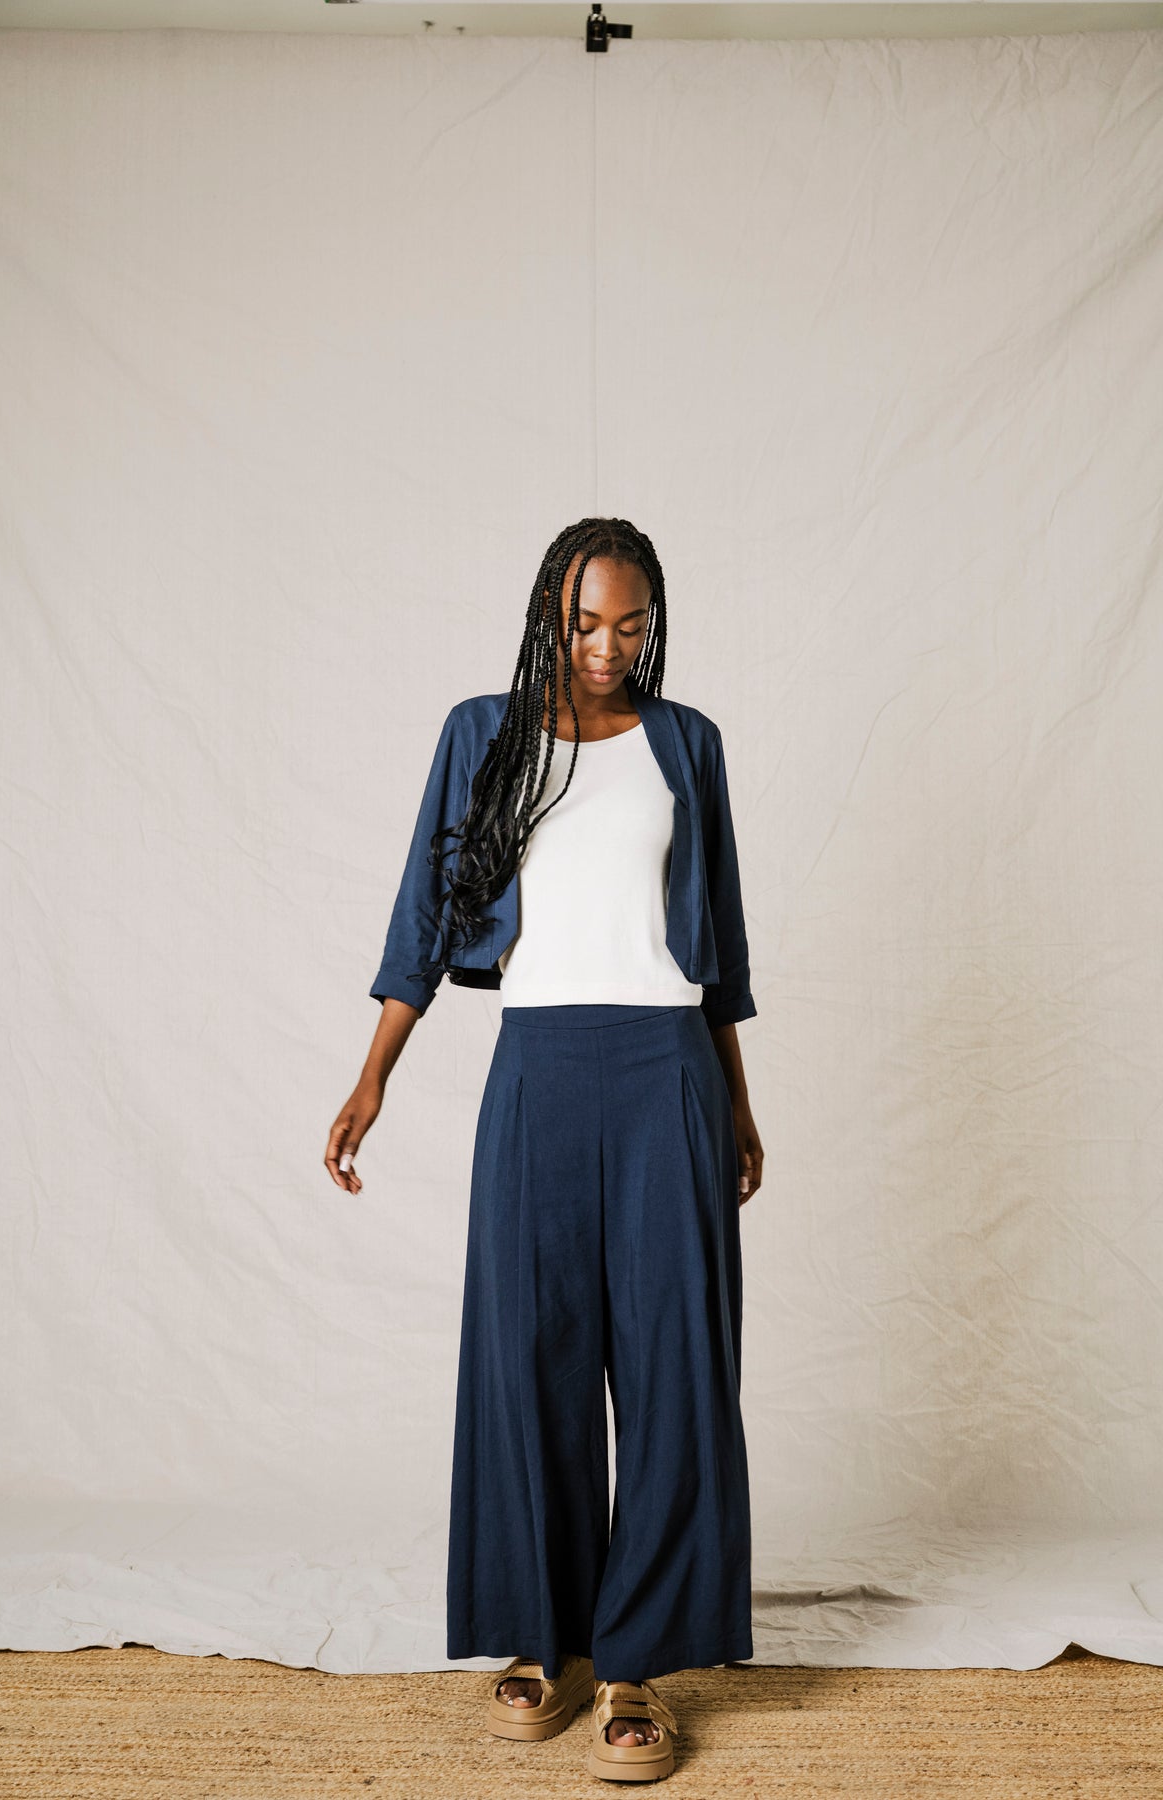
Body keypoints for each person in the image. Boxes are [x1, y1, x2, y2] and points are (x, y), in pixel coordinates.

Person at [325, 516, 764, 1783]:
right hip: (539, 1071)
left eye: (630, 624)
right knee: (533, 1355)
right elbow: (425, 913)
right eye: (583, 622)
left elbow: (721, 946)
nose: (606, 646)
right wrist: (374, 1075)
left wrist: (738, 1105)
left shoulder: (688, 744)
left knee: (674, 1365)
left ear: (653, 625)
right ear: (546, 617)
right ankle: (550, 1635)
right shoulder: (486, 737)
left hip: (668, 1072)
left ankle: (635, 1660)